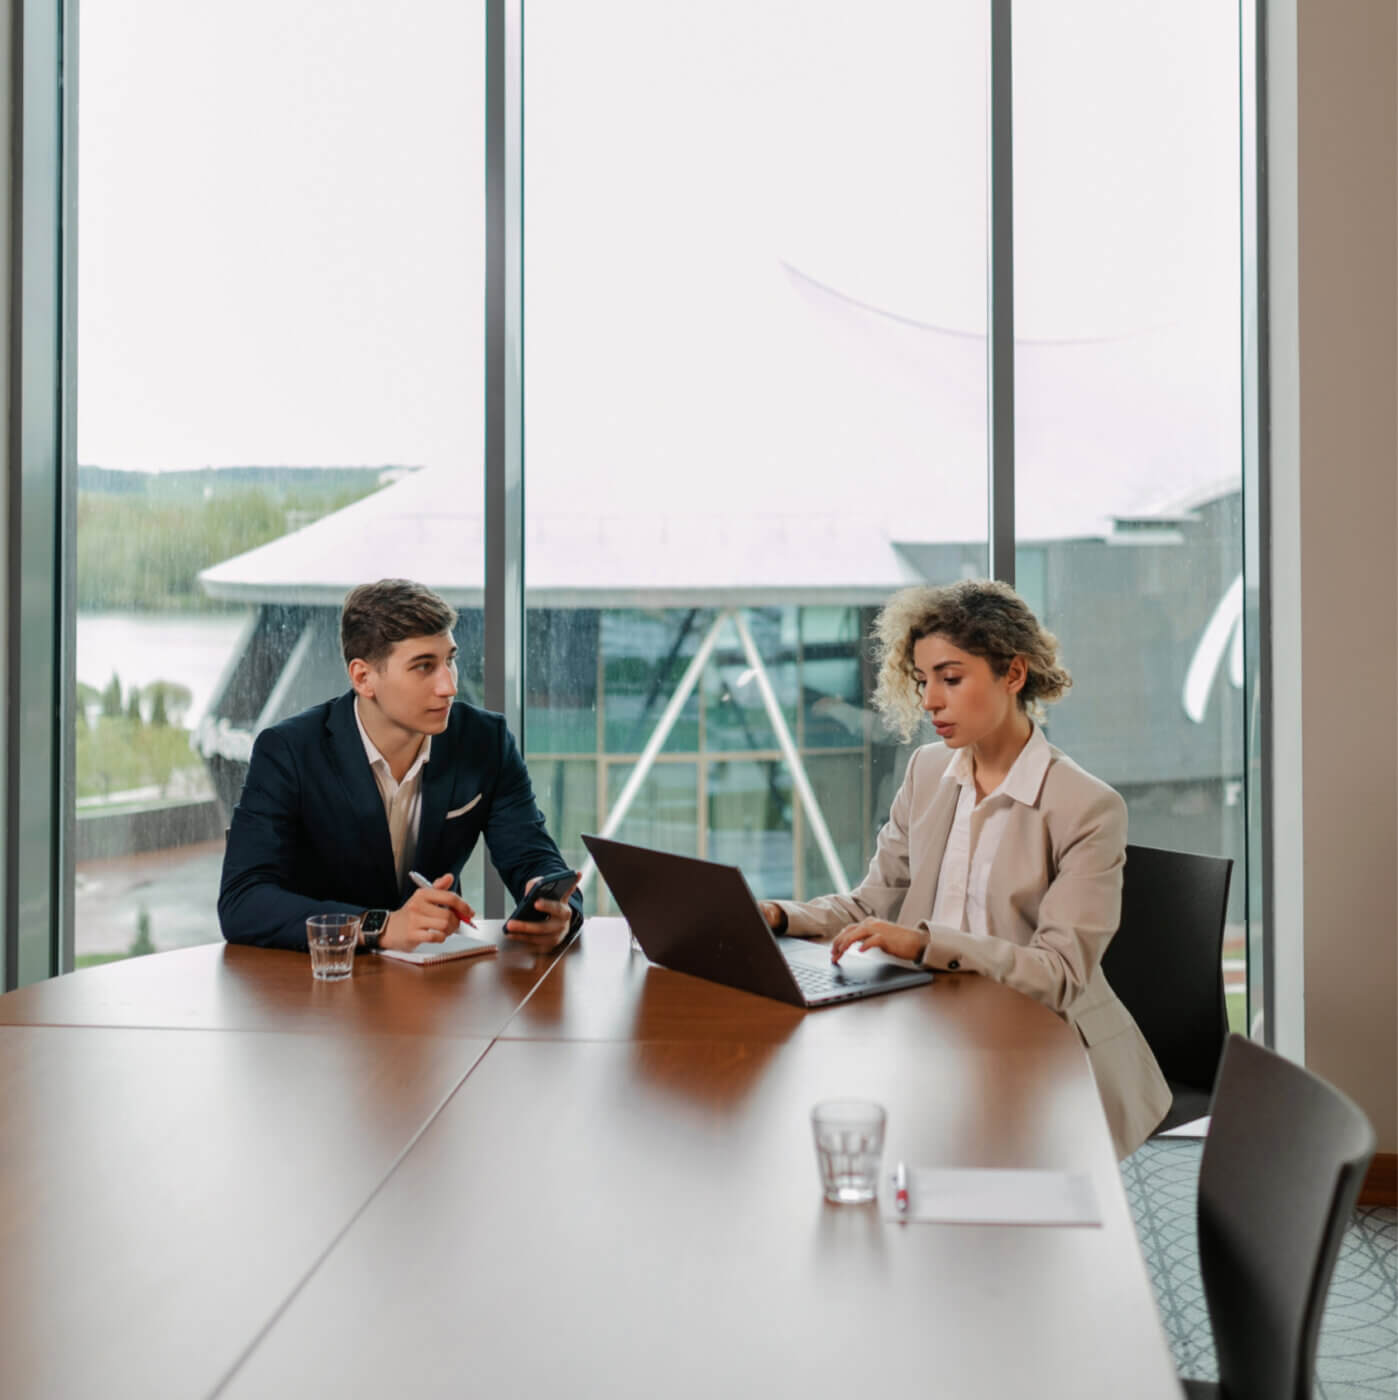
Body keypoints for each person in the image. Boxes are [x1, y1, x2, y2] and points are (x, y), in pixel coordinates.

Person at [759, 579, 1169, 1158]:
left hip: (1042, 1046)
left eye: (951, 678)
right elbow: (871, 904)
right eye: (923, 680)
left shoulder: (1087, 806)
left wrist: (923, 943)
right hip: (935, 1021)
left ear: (1014, 674)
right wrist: (779, 914)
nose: (930, 700)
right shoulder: (928, 772)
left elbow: (1057, 974)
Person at [219, 578, 582, 955]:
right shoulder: (289, 751)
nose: (449, 686)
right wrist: (381, 926)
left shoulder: (485, 740)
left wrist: (558, 909)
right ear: (363, 678)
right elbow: (243, 902)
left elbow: (531, 855)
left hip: (435, 981)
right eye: (424, 667)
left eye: (450, 660)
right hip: (319, 982)